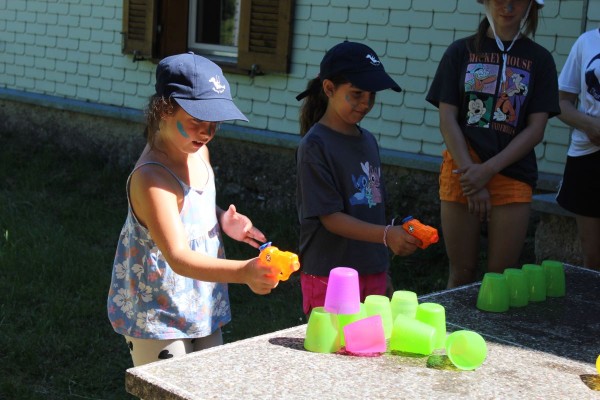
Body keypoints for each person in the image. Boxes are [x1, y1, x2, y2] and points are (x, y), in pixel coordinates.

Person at [107, 52, 279, 367]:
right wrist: (244, 272)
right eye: (197, 121)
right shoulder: (152, 179)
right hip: (158, 308)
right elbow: (178, 257)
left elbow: (191, 204)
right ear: (164, 110)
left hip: (200, 300)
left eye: (214, 123)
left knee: (206, 378)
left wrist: (222, 218)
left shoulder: (199, 153)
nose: (207, 132)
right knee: (167, 385)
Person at [426, 0, 560, 288]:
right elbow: (447, 119)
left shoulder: (540, 59)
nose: (508, 6)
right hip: (462, 169)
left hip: (512, 173)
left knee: (500, 279)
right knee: (461, 274)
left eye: (518, 0)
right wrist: (472, 174)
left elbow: (536, 129)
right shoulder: (459, 52)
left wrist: (487, 171)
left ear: (531, 6)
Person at [295, 41, 420, 316]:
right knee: (333, 342)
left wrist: (383, 267)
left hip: (372, 271)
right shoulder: (314, 146)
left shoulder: (369, 141)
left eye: (372, 95)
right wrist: (387, 235)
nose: (366, 103)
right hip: (330, 275)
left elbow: (373, 209)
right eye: (357, 94)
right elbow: (330, 217)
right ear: (329, 89)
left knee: (372, 341)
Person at [556, 28, 600, 270]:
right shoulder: (587, 42)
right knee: (593, 257)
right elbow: (561, 101)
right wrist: (589, 125)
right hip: (588, 156)